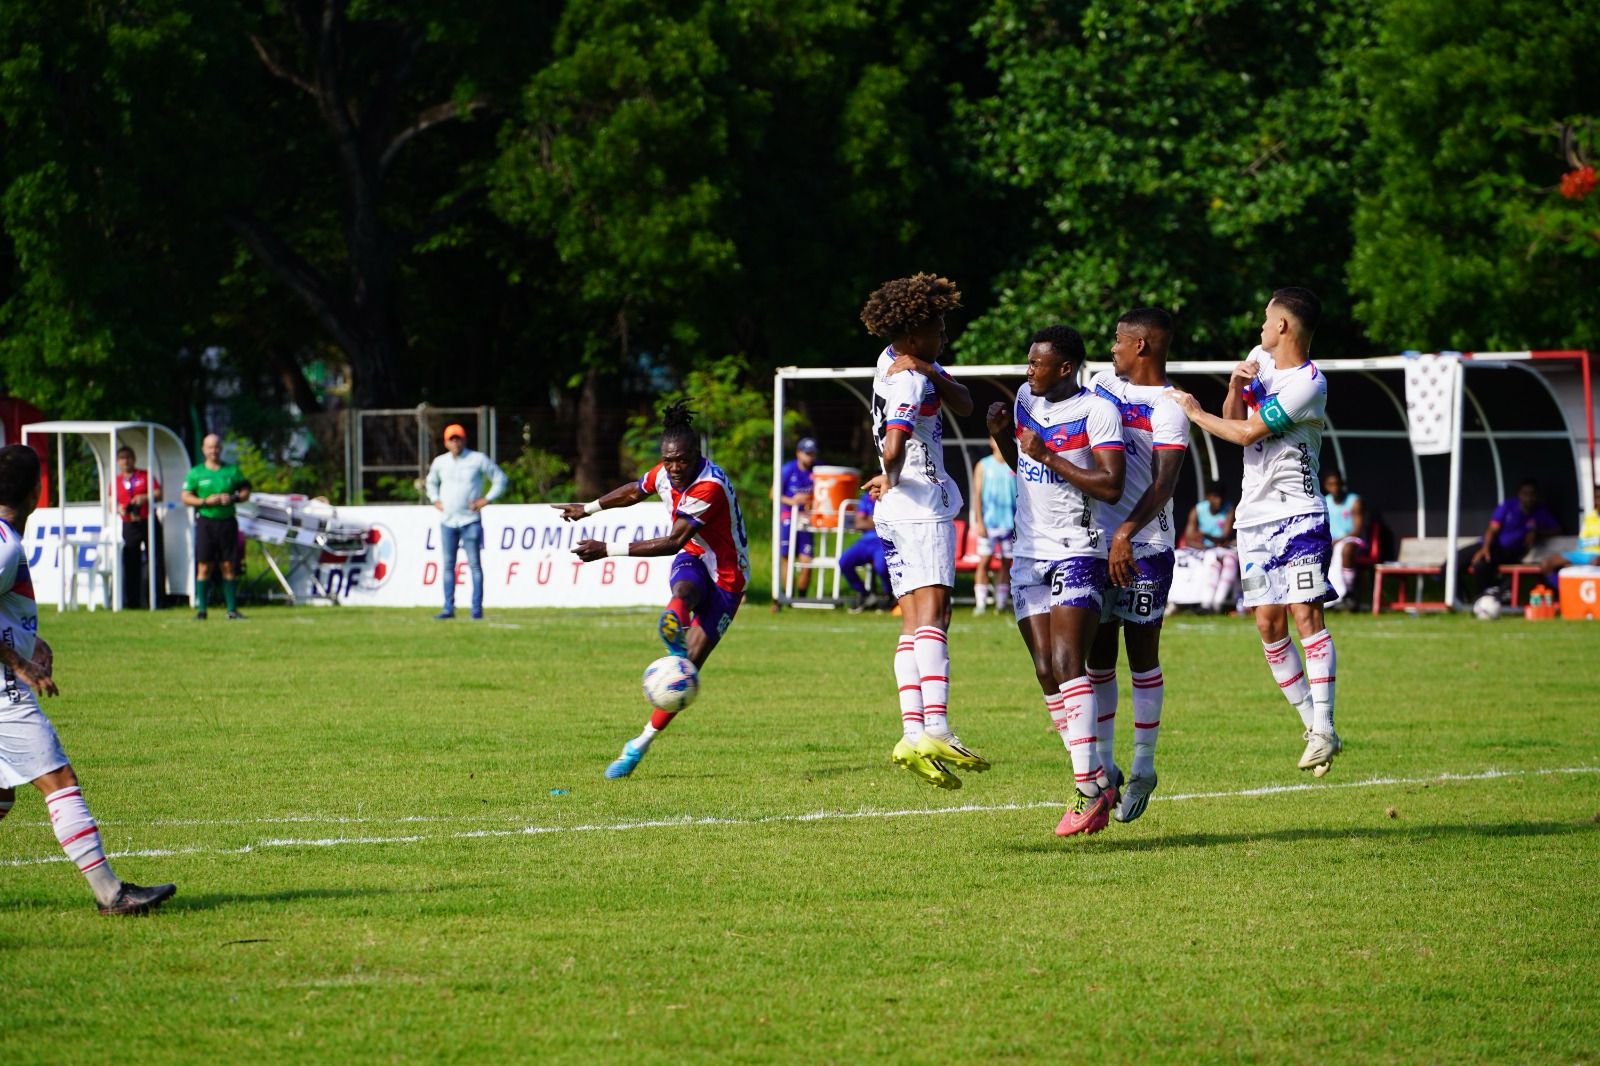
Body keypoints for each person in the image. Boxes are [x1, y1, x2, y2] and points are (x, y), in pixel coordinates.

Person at [1169, 287, 1342, 776]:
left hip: (1299, 514)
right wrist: (1231, 386)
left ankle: (1325, 726)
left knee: (1305, 615)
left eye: (1267, 319)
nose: (1260, 327)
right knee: (1268, 624)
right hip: (1254, 519)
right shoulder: (1256, 360)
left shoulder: (1310, 383)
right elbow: (1234, 424)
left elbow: (1247, 434)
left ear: (1284, 325)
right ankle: (1313, 728)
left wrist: (1191, 411)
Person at [0, 444, 176, 915]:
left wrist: (29, 641)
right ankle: (110, 893)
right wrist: (19, 664)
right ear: (36, 490)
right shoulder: (4, 543)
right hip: (1, 690)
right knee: (58, 780)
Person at [559, 401, 750, 779]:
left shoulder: (707, 485)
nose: (674, 468)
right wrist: (589, 507)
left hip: (728, 578)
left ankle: (637, 747)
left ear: (697, 455)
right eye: (668, 461)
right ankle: (674, 619)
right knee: (684, 587)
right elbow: (635, 490)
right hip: (696, 561)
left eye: (681, 460)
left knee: (685, 674)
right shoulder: (666, 472)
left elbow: (674, 540)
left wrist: (606, 550)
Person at [988, 324, 1125, 835]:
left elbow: (1110, 485)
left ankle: (1088, 789)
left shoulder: (1098, 411)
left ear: (1064, 368)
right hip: (1027, 551)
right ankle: (1099, 776)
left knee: (1071, 661)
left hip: (1078, 547)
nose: (1028, 371)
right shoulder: (1026, 397)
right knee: (1046, 669)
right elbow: (1018, 461)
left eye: (1036, 363)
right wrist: (1003, 430)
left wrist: (1049, 455)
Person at [858, 272, 988, 790]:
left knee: (915, 620)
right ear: (913, 333)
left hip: (897, 511)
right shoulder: (910, 378)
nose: (943, 335)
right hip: (920, 505)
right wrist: (889, 473)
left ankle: (912, 733)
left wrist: (933, 370)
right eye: (936, 328)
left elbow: (964, 403)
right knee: (934, 614)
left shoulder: (893, 362)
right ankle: (937, 726)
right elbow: (895, 440)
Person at [1085, 307, 1189, 824]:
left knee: (1140, 655)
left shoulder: (1169, 408)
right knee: (1096, 657)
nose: (1112, 349)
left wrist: (1126, 531)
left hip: (1145, 547)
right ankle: (1105, 768)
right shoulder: (1100, 384)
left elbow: (1164, 484)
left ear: (1143, 345)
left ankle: (1144, 766)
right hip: (1093, 547)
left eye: (1119, 340)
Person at [425, 424, 506, 620]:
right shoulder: (440, 462)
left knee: (474, 565)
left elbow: (500, 479)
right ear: (445, 442)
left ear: (464, 440)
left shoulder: (477, 459)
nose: (455, 442)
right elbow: (431, 482)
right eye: (451, 439)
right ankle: (448, 608)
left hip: (470, 520)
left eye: (458, 438)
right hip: (448, 521)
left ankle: (476, 609)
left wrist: (487, 499)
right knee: (448, 565)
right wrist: (434, 498)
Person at [181, 433, 251, 620]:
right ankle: (202, 609)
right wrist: (205, 501)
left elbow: (245, 491)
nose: (214, 451)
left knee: (228, 565)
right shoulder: (196, 473)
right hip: (206, 523)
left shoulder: (232, 471)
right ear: (204, 449)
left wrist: (233, 498)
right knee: (204, 565)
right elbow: (186, 497)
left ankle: (231, 609)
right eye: (210, 447)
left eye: (217, 447)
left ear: (221, 449)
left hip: (227, 522)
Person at [1460, 479, 1560, 601]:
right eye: (1525, 493)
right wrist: (1485, 548)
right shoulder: (1508, 506)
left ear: (1536, 496)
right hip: (1488, 544)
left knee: (1481, 564)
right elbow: (1492, 529)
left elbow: (1557, 529)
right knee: (1453, 563)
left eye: (1532, 494)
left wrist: (1537, 532)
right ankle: (1460, 597)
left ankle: (1488, 596)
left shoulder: (1540, 512)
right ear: (1519, 495)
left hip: (1511, 551)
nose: (1528, 497)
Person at [111, 445, 163, 609]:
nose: (125, 461)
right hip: (129, 523)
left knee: (155, 559)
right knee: (130, 560)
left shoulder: (144, 475)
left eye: (128, 457)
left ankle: (157, 599)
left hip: (147, 519)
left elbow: (158, 493)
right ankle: (132, 601)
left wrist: (144, 497)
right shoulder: (116, 481)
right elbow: (111, 503)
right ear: (118, 462)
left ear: (134, 459)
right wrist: (118, 508)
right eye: (122, 458)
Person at [970, 439, 1016, 615]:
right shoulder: (983, 465)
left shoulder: (1013, 464)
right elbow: (977, 495)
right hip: (988, 524)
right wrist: (979, 522)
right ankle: (980, 604)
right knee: (984, 561)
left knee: (1006, 563)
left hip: (1009, 524)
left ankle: (1001, 603)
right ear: (991, 442)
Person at [1179, 482, 1239, 613]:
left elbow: (1224, 536)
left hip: (1223, 549)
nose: (1219, 500)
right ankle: (1207, 603)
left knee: (1230, 560)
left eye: (1221, 497)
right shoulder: (1198, 510)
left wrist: (1205, 534)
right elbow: (1189, 539)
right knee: (1213, 561)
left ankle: (1217, 603)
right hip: (1203, 550)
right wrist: (1206, 546)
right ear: (1208, 497)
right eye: (1215, 496)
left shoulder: (1228, 509)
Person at [774, 438, 818, 607]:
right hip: (787, 517)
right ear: (798, 453)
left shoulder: (816, 471)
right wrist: (792, 501)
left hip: (806, 520)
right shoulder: (787, 470)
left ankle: (801, 597)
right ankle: (787, 595)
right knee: (786, 557)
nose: (810, 457)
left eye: (812, 454)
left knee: (807, 558)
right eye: (807, 453)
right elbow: (774, 494)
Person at [838, 487, 889, 613]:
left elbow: (893, 523)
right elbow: (859, 523)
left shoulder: (892, 498)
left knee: (881, 566)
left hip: (883, 540)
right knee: (844, 561)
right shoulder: (866, 498)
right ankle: (865, 594)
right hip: (865, 541)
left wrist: (869, 520)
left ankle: (887, 595)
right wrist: (880, 521)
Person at [1323, 470, 1366, 608]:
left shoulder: (1354, 501)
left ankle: (1348, 592)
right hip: (1331, 542)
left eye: (1337, 484)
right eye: (1331, 484)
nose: (1334, 487)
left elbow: (1357, 531)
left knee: (1346, 549)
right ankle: (1328, 595)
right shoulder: (1324, 502)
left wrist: (1339, 540)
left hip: (1353, 542)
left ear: (1342, 484)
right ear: (1325, 486)